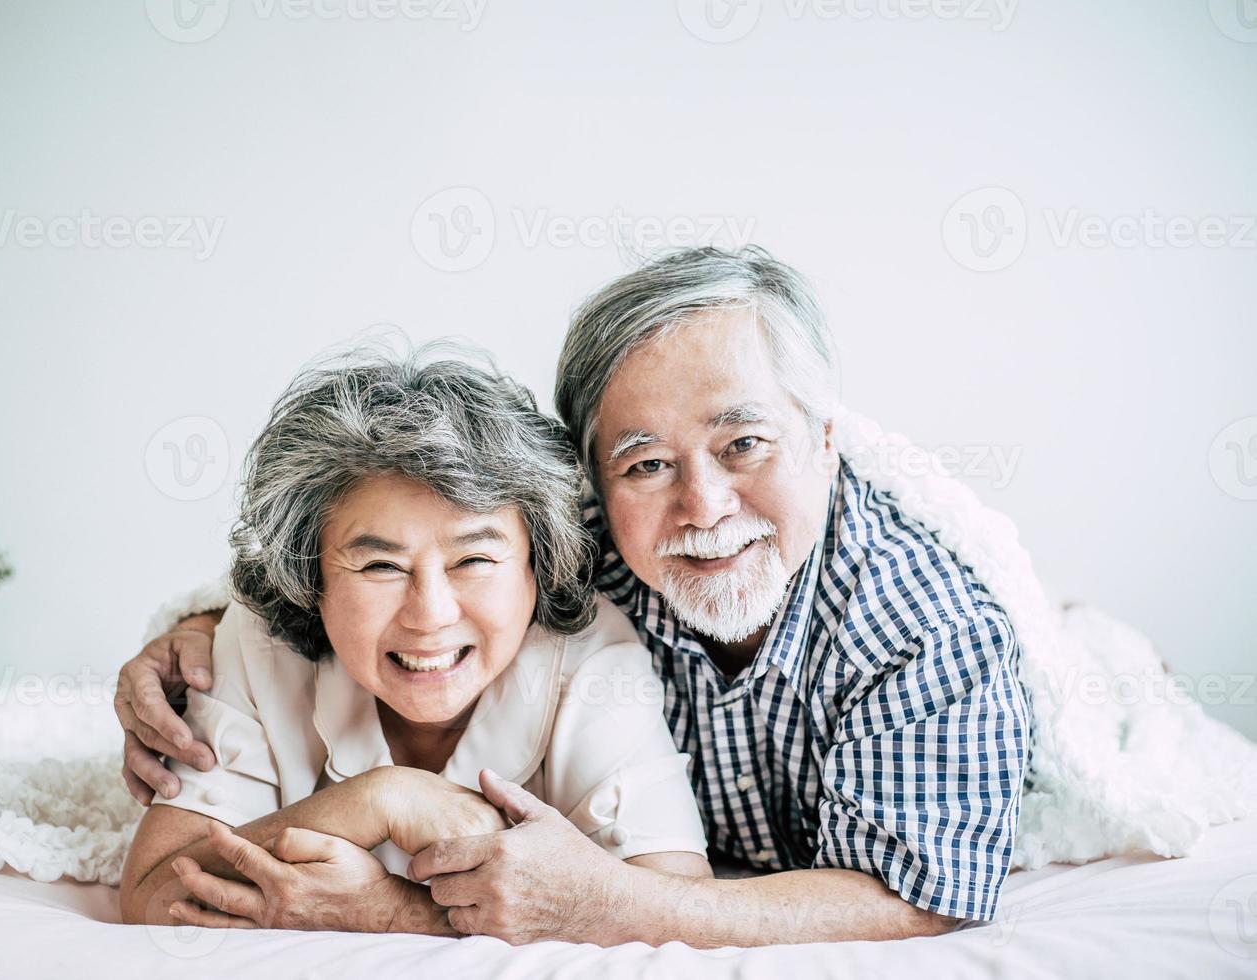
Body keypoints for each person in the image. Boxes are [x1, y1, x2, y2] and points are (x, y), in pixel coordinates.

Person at [119, 246, 1031, 946]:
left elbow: (917, 900)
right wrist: (193, 633)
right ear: (591, 481)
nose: (703, 507)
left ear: (826, 440)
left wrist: (586, 902)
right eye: (645, 462)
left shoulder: (931, 633)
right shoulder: (566, 538)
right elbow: (380, 525)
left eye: (745, 442)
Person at [118, 347, 711, 932]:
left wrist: (394, 913)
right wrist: (380, 800)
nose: (430, 615)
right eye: (380, 567)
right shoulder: (255, 641)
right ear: (311, 575)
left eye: (474, 559)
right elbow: (154, 893)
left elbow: (674, 908)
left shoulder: (594, 657)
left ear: (538, 565)